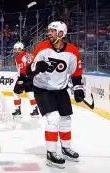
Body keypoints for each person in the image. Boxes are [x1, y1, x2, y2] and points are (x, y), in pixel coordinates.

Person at [27, 21, 84, 168]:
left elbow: (76, 73)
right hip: (42, 89)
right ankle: (51, 153)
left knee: (65, 119)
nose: (49, 34)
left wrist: (78, 88)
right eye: (49, 31)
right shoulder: (42, 47)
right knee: (53, 118)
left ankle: (65, 148)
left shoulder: (72, 51)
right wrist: (37, 68)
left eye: (53, 31)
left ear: (61, 33)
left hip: (61, 89)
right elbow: (29, 70)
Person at [12, 41, 39, 117]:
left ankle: (17, 110)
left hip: (23, 77)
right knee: (30, 93)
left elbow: (22, 68)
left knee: (16, 93)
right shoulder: (30, 55)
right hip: (31, 76)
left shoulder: (18, 57)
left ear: (20, 49)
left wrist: (20, 76)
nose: (15, 51)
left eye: (16, 49)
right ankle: (35, 110)